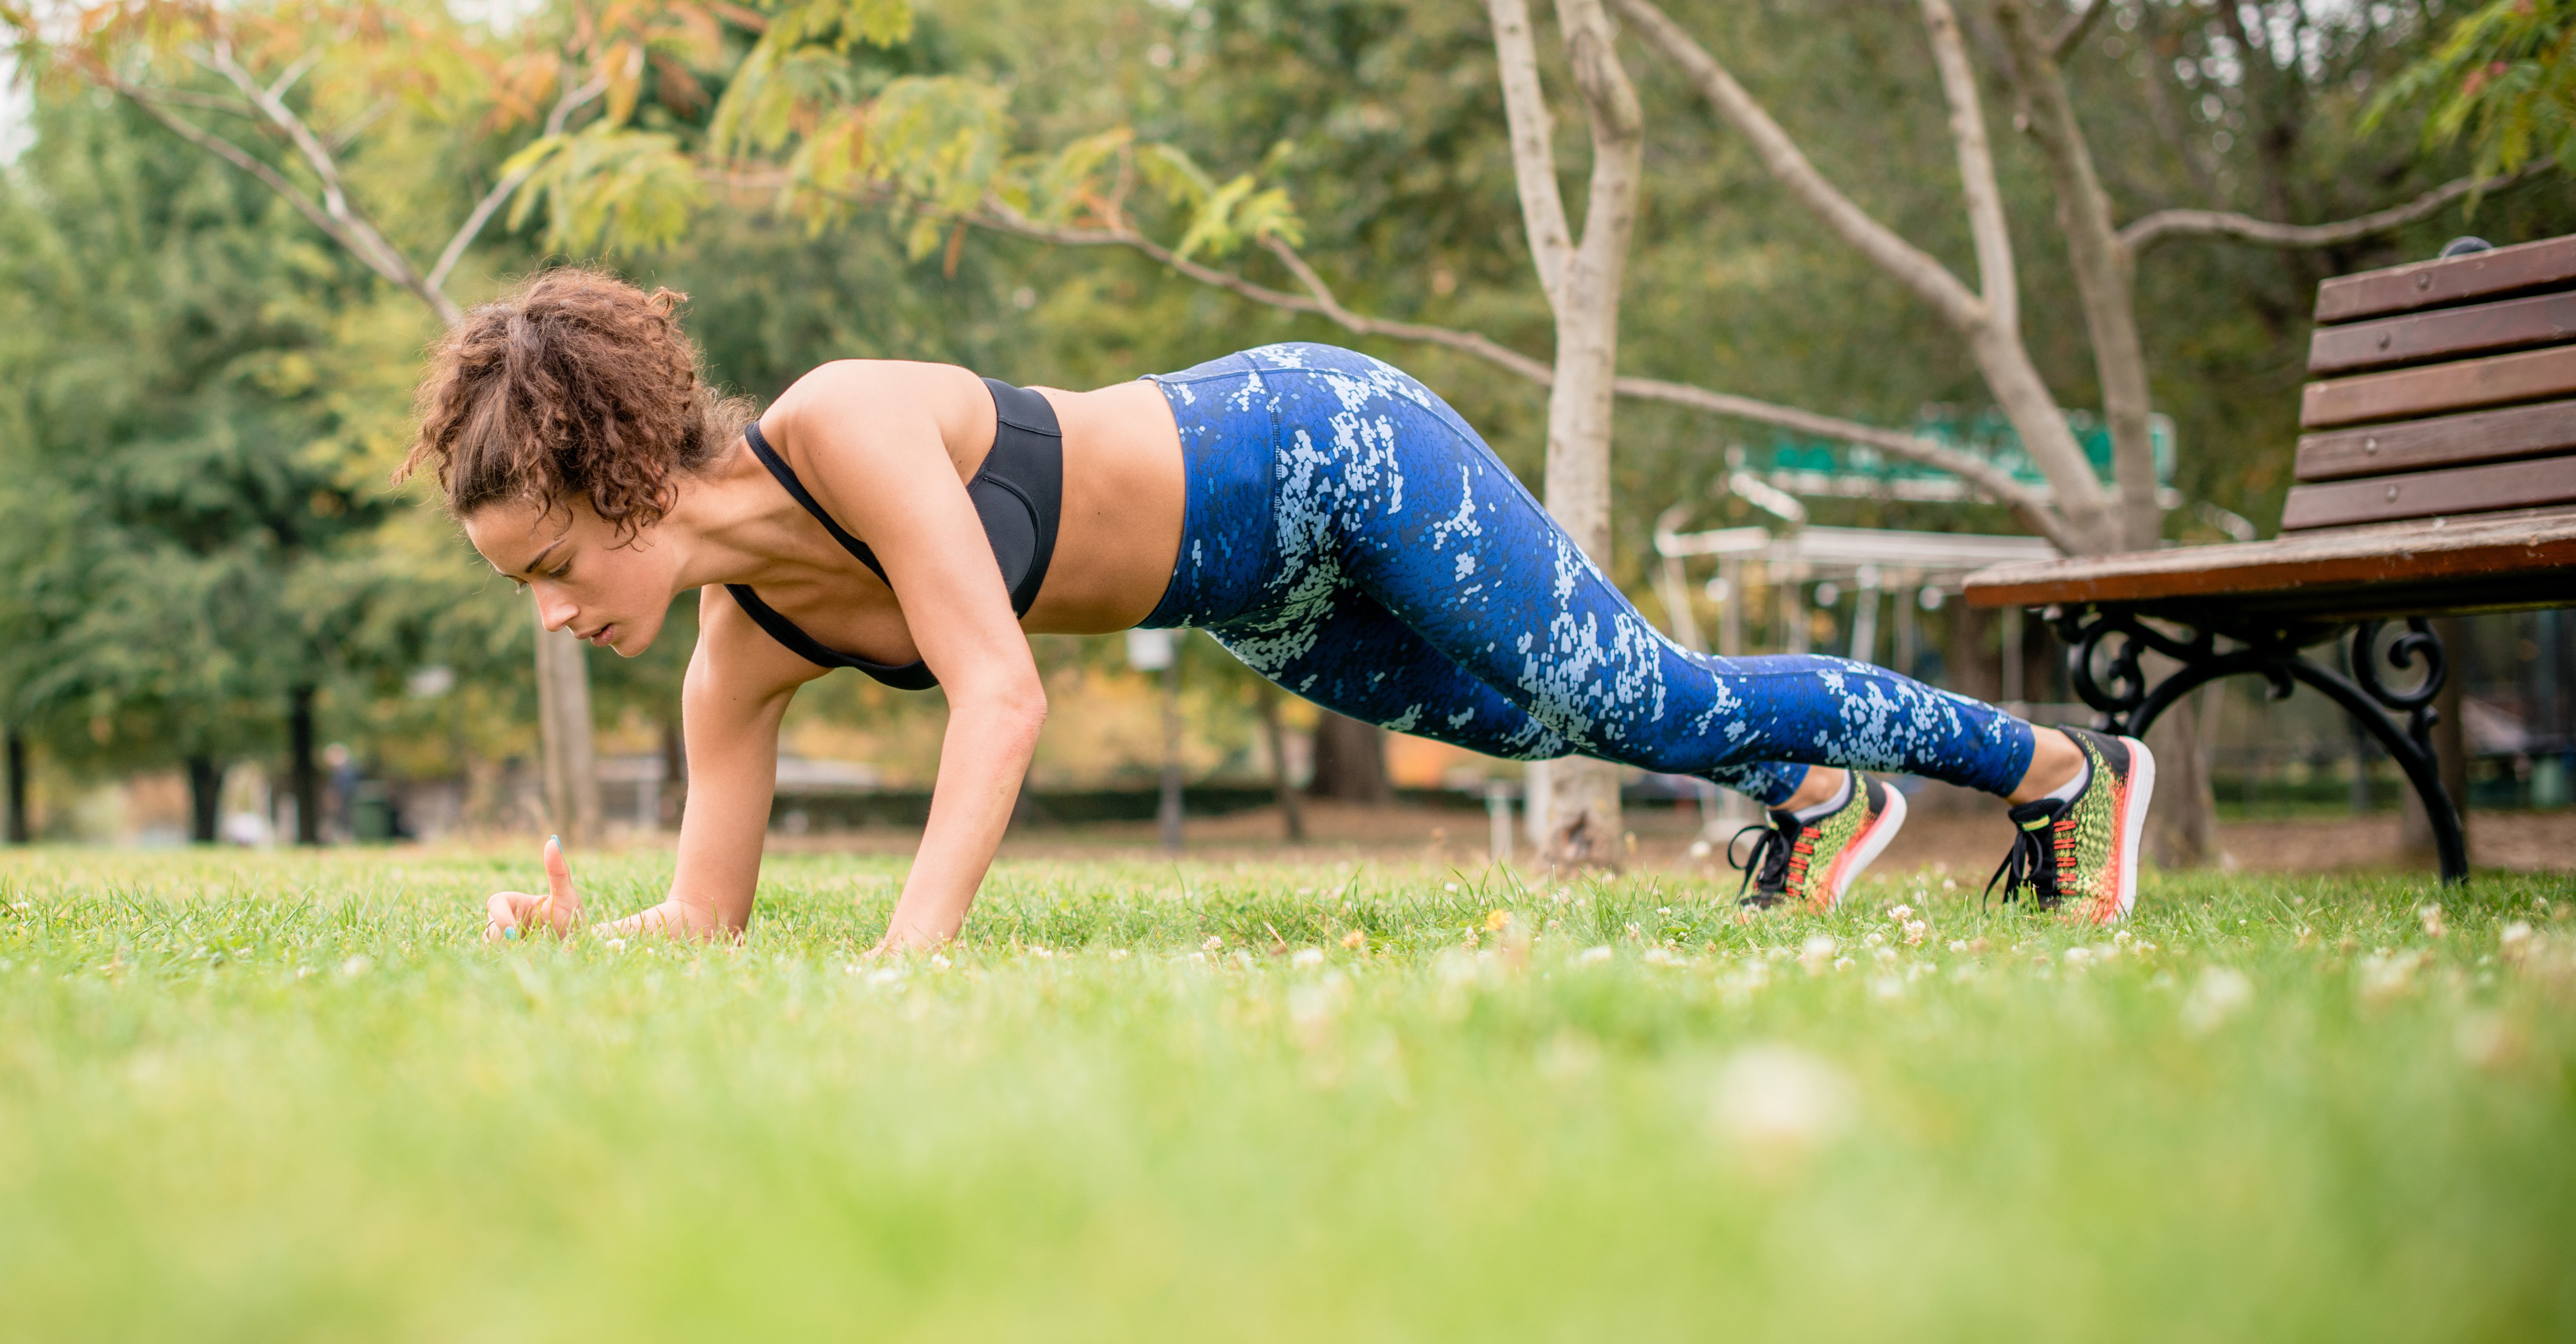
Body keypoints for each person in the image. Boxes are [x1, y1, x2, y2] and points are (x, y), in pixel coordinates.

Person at [416, 270, 2148, 954]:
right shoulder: (738, 664)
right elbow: (705, 917)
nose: (556, 612)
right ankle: (1816, 798)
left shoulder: (846, 423)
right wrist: (593, 939)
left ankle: (2063, 774)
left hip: (1325, 451)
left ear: (628, 478)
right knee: (1562, 720)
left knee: (1640, 698)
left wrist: (912, 951)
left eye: (556, 564)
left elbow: (996, 694)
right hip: (1261, 600)